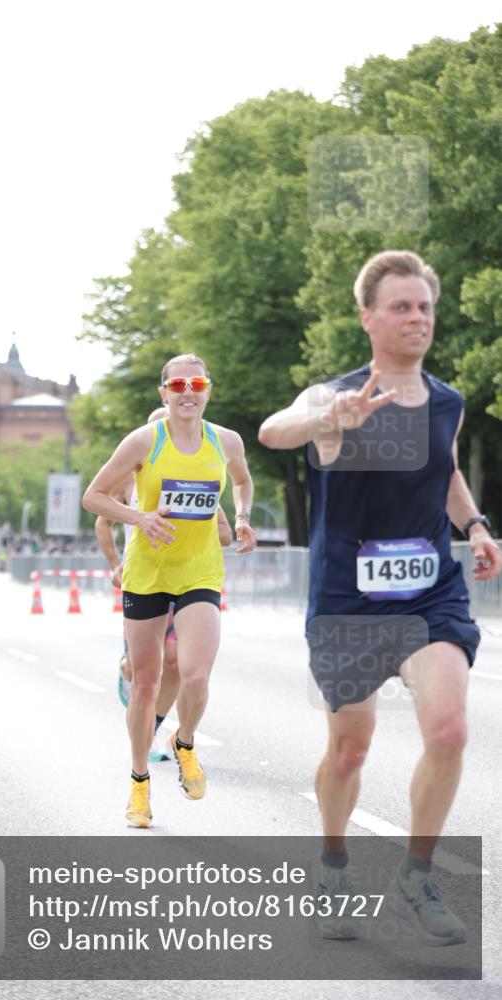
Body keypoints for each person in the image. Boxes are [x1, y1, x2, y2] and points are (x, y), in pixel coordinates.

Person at [259, 250, 502, 944]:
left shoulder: (448, 401)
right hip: (347, 599)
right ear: (367, 318)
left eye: (424, 306)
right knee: (349, 748)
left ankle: (416, 875)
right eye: (400, 306)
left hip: (429, 595)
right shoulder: (332, 395)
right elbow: (275, 431)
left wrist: (475, 525)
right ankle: (333, 865)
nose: (416, 317)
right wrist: (328, 419)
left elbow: (444, 470)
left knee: (449, 730)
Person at [84, 354, 256, 827]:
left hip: (200, 572)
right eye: (177, 384)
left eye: (196, 383)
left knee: (197, 675)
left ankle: (184, 743)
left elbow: (242, 482)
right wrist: (140, 518)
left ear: (208, 390)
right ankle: (139, 785)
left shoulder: (226, 442)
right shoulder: (144, 440)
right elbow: (94, 496)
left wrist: (241, 518)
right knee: (145, 686)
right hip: (148, 574)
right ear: (164, 392)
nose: (187, 391)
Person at [95, 406, 234, 762]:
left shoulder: (193, 478)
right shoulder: (130, 478)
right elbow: (101, 520)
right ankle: (129, 677)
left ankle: (155, 729)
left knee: (174, 661)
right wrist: (115, 562)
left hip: (189, 579)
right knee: (141, 670)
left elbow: (225, 532)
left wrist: (201, 531)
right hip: (142, 576)